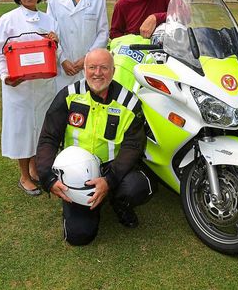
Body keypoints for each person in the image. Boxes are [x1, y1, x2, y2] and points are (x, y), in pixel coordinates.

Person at [36, 48, 154, 246]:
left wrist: (109, 180)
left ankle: (117, 201)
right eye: (92, 67)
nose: (97, 73)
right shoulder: (68, 96)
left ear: (113, 71)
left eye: (104, 68)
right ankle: (82, 201)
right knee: (80, 236)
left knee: (138, 186)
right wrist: (47, 178)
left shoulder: (129, 102)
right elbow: (49, 137)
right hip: (77, 173)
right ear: (84, 69)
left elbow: (133, 145)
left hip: (113, 167)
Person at [0, 0, 59, 196]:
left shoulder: (49, 20)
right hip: (18, 87)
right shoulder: (7, 20)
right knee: (21, 130)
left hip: (43, 88)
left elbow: (54, 54)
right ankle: (24, 176)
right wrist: (5, 76)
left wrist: (55, 42)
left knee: (40, 128)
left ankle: (35, 167)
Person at [47, 0, 109, 91]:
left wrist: (87, 59)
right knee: (64, 106)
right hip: (63, 68)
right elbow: (50, 33)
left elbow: (103, 33)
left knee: (88, 107)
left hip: (90, 67)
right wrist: (62, 59)